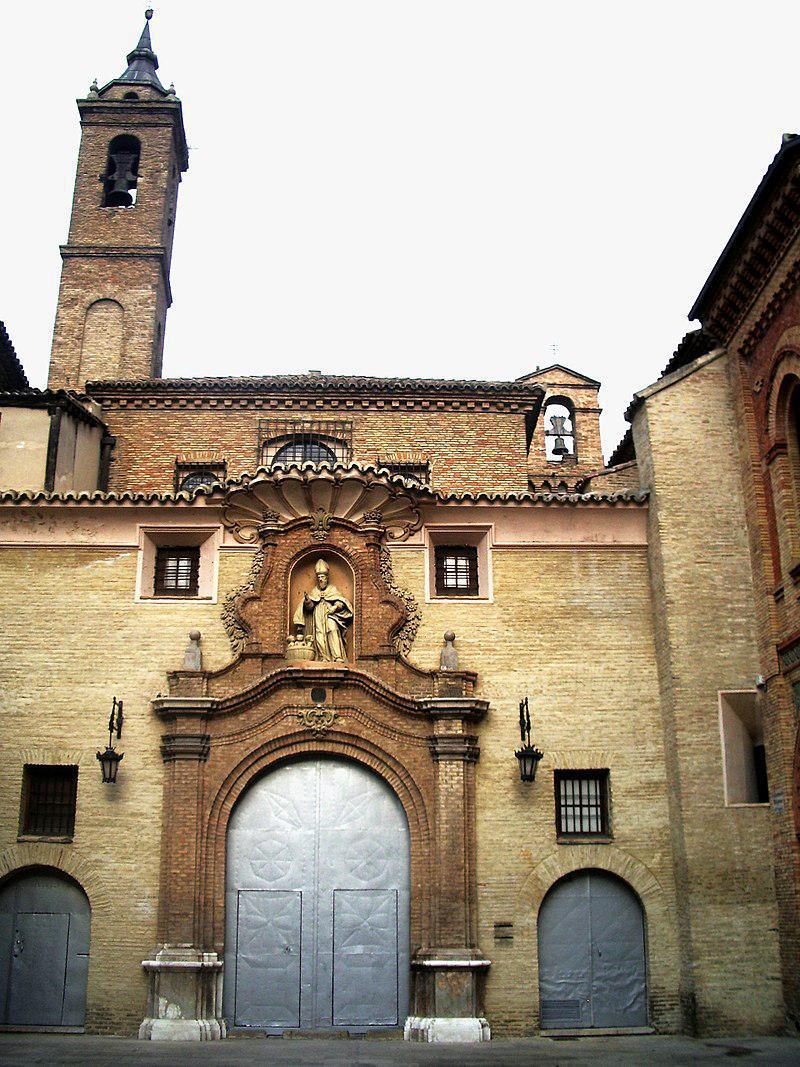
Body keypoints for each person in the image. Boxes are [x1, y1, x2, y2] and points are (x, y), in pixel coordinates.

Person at [293, 558, 353, 661]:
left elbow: (341, 601)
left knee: (333, 630)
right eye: (319, 577)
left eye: (323, 577)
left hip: (330, 614)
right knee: (319, 635)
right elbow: (310, 607)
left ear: (327, 578)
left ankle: (337, 657)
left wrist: (335, 607)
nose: (321, 579)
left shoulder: (333, 589)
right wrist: (307, 601)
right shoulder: (314, 591)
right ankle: (323, 657)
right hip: (317, 614)